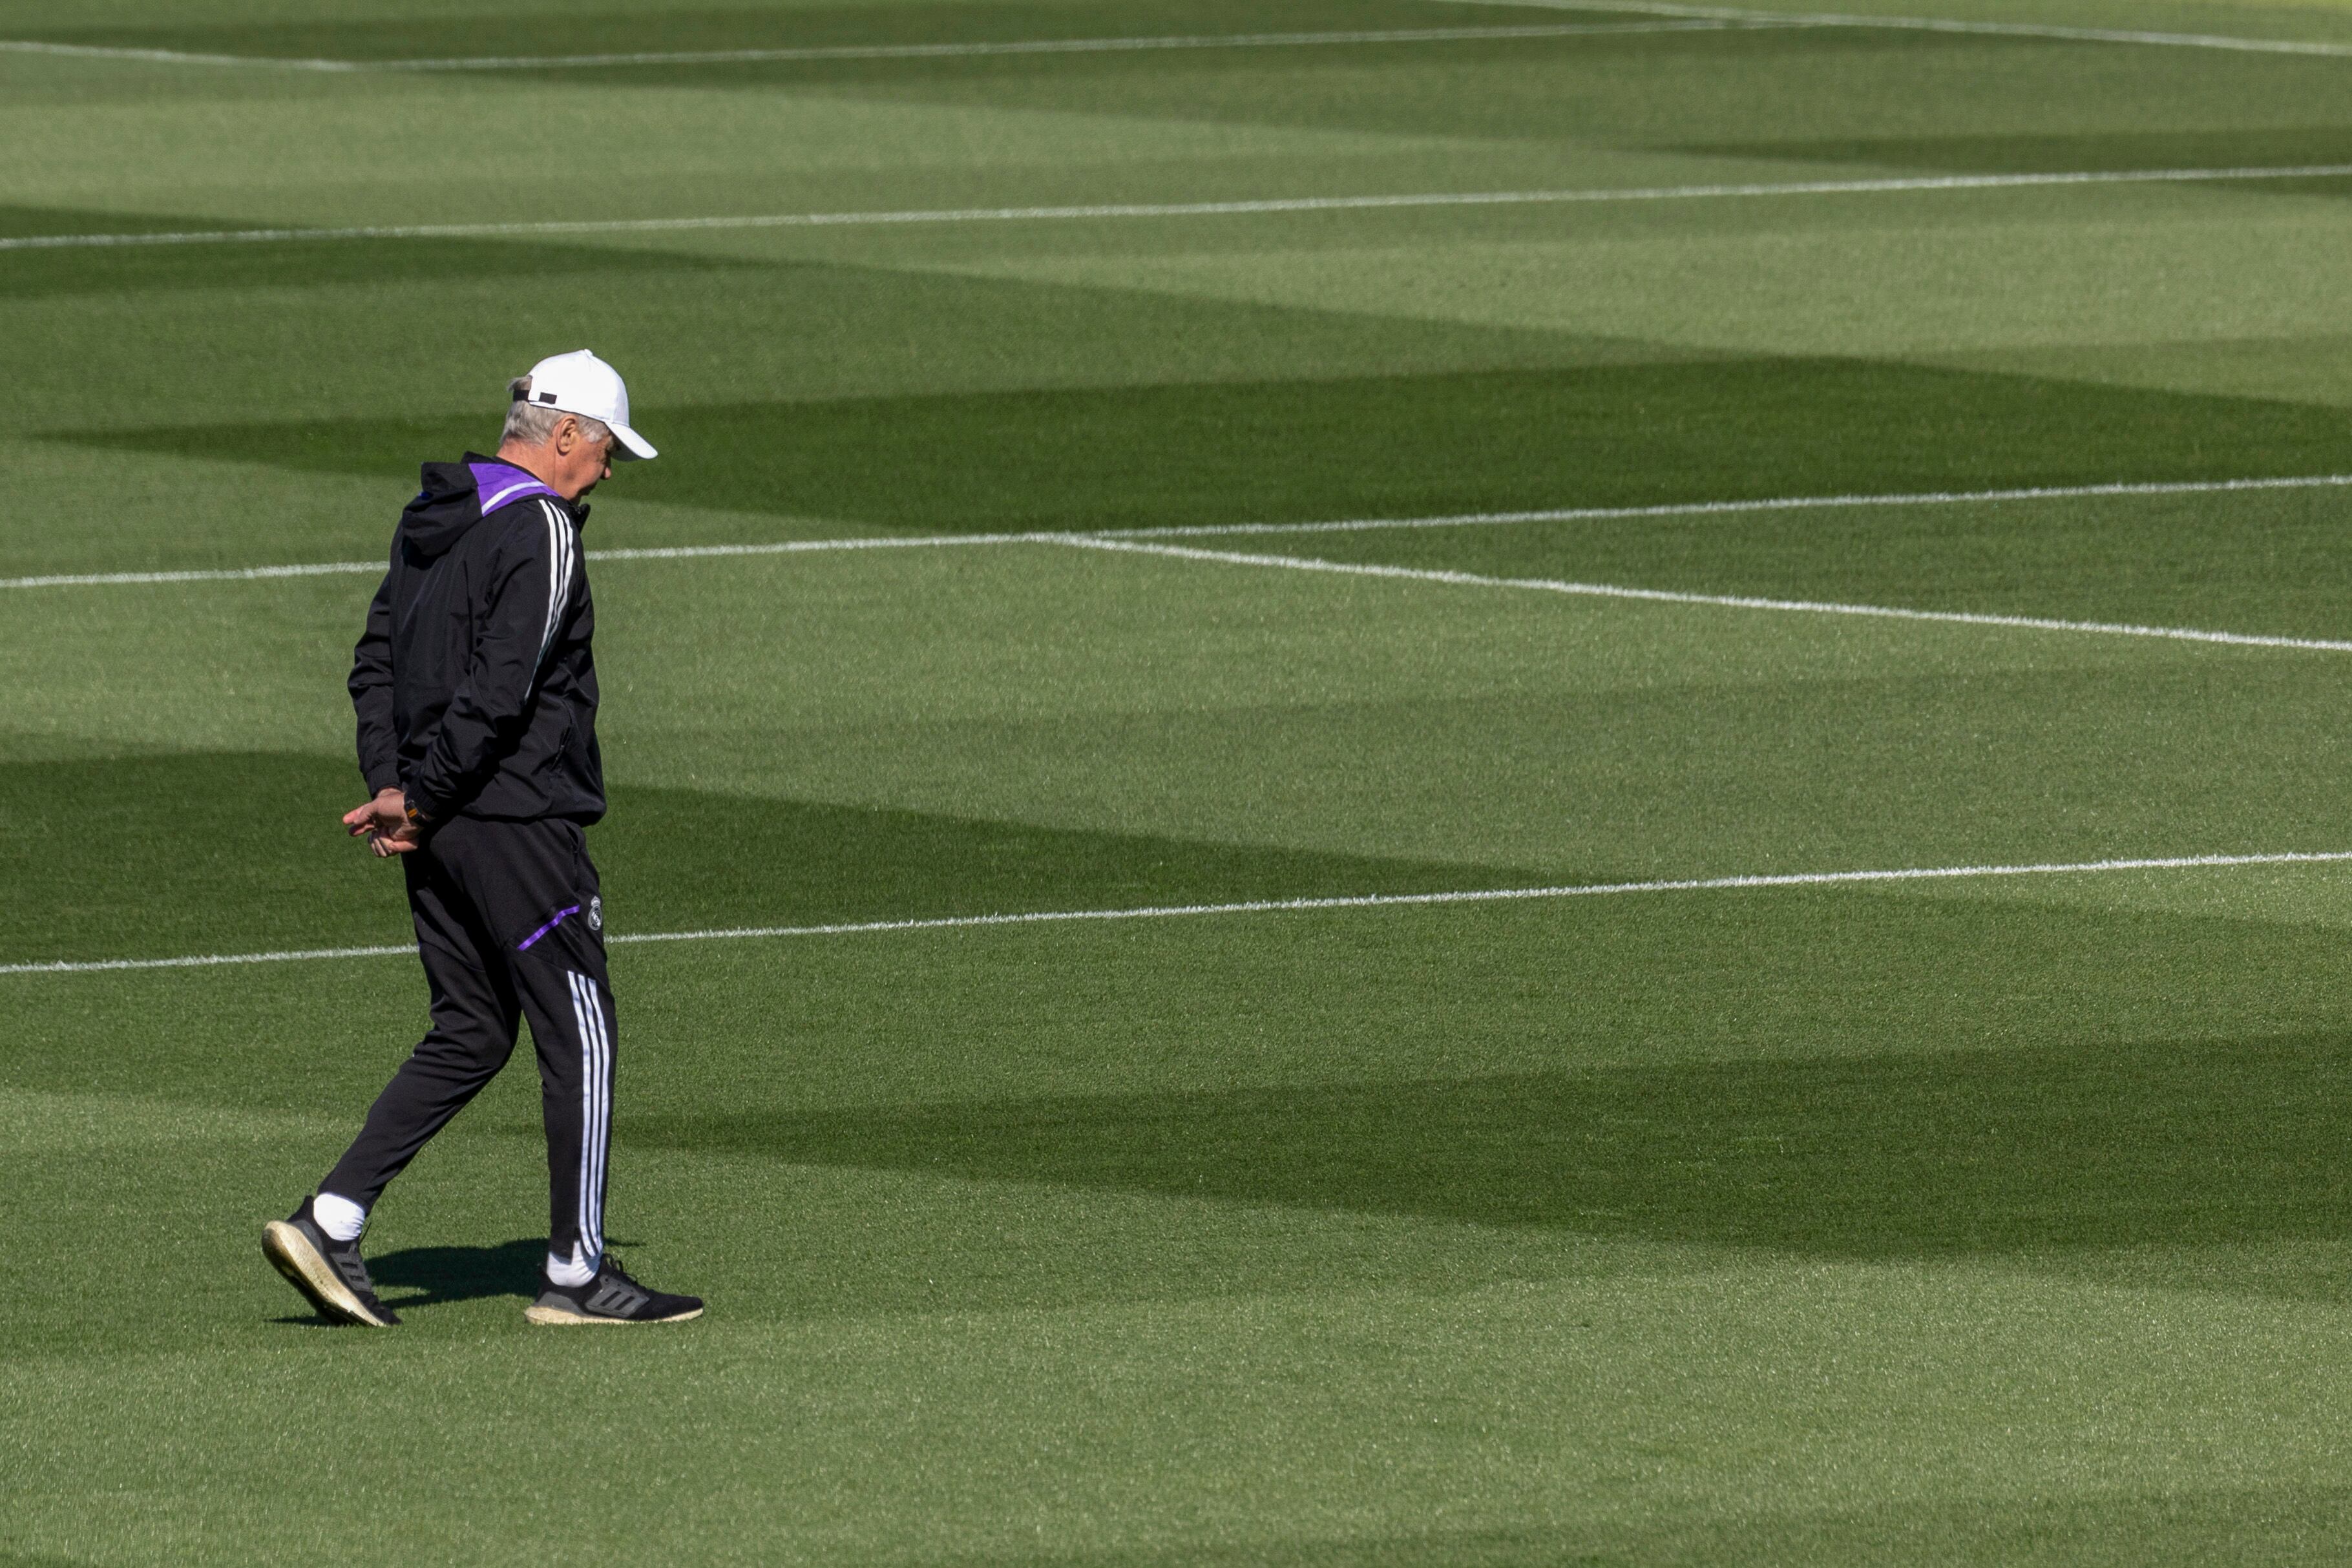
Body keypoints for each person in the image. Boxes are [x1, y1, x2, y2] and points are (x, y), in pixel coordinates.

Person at [262, 350, 701, 1328]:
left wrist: (395, 786)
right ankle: (579, 1275)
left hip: (444, 827)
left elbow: (374, 663)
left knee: (470, 1030)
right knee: (581, 1029)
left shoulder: (434, 516)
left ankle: (331, 1218)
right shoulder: (543, 528)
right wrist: (416, 797)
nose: (610, 472)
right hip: (513, 822)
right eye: (606, 450)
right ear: (564, 437)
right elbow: (502, 694)